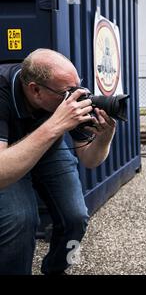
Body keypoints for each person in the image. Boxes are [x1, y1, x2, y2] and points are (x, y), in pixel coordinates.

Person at [0, 49, 117, 275]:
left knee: (76, 217)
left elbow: (90, 160)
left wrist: (104, 137)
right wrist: (57, 124)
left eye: (78, 87)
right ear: (35, 90)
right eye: (67, 92)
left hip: (49, 147)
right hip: (7, 157)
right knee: (19, 220)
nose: (76, 97)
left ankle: (56, 269)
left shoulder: (65, 97)